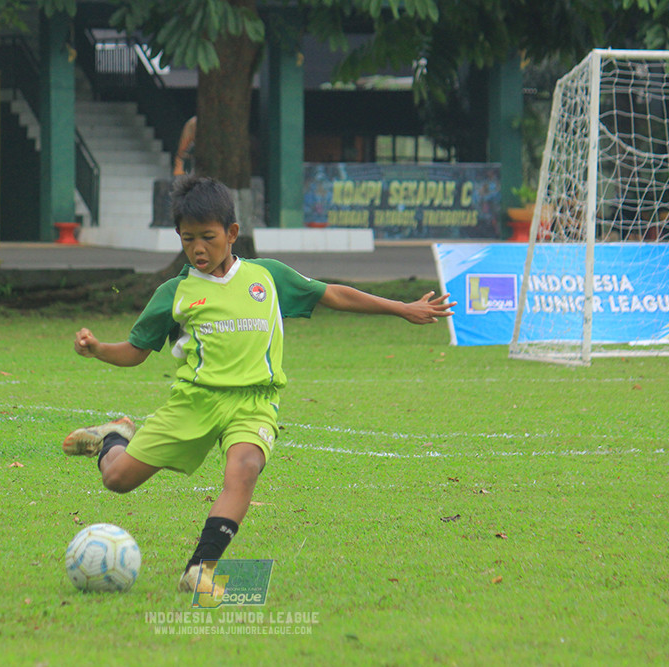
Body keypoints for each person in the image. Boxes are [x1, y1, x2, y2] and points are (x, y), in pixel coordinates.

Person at [63, 176, 454, 592]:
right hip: (194, 402)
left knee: (245, 467)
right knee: (118, 479)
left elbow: (333, 295)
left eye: (208, 237)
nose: (198, 249)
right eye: (188, 238)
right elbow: (136, 350)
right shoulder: (174, 293)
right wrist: (98, 348)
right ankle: (113, 437)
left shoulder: (267, 278)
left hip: (255, 402)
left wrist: (402, 308)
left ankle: (201, 569)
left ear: (232, 234)